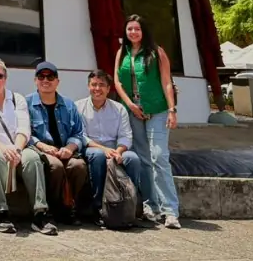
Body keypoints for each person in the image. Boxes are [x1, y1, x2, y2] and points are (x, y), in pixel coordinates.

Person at [0, 59, 55, 235]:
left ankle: (40, 213)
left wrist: (17, 149)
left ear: (5, 78)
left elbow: (24, 128)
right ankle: (0, 212)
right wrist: (2, 148)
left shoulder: (17, 99)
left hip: (16, 147)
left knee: (32, 159)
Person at [113, 15, 180, 229]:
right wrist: (130, 105)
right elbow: (116, 81)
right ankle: (152, 206)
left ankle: (171, 211)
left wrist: (171, 109)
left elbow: (166, 82)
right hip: (133, 111)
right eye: (130, 29)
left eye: (137, 29)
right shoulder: (121, 53)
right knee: (143, 159)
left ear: (144, 31)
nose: (133, 32)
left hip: (157, 109)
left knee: (159, 156)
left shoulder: (156, 52)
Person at [75, 69, 142, 224]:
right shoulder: (78, 107)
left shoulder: (119, 109)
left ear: (108, 88)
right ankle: (99, 207)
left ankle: (131, 205)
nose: (97, 89)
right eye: (94, 85)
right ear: (88, 86)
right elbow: (81, 136)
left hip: (115, 149)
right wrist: (103, 150)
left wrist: (118, 151)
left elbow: (126, 136)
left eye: (101, 85)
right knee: (97, 156)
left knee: (133, 159)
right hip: (91, 148)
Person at [26, 61, 89, 225]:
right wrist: (42, 146)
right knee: (56, 166)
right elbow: (24, 133)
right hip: (40, 150)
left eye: (50, 76)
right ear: (35, 80)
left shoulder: (69, 105)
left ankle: (67, 207)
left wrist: (70, 147)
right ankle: (54, 209)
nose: (46, 80)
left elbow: (78, 133)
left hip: (66, 150)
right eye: (41, 76)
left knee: (79, 166)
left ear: (57, 81)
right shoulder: (25, 103)